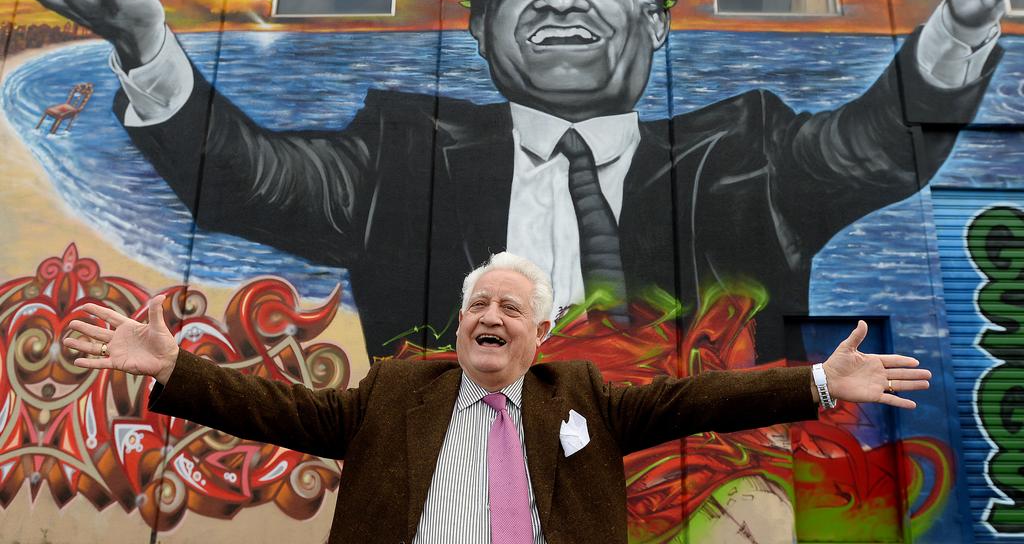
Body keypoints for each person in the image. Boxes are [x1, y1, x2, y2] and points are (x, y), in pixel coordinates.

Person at [2, 0, 1010, 360]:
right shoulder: (401, 154)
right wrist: (144, 48)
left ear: (653, 27)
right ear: (485, 35)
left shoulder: (745, 155)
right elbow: (243, 176)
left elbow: (874, 149)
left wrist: (960, 30)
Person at [62, 251, 930, 544]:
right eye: (478, 303)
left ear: (537, 335)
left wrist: (817, 382)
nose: (489, 315)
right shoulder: (400, 389)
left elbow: (696, 399)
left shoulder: (579, 392)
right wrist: (173, 368)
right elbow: (286, 414)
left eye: (509, 307)